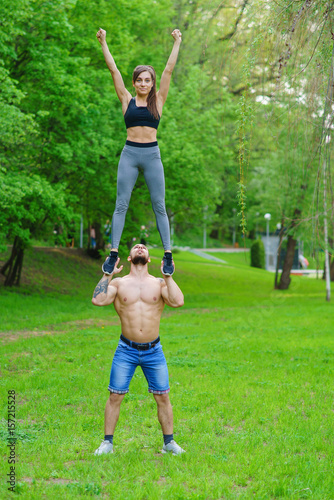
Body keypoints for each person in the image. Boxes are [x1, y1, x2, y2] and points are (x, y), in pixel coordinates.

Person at [96, 27, 182, 277]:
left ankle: (167, 255)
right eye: (140, 80)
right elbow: (113, 69)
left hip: (152, 155)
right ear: (134, 83)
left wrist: (177, 42)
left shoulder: (159, 100)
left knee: (159, 206)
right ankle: (113, 254)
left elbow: (168, 70)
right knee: (121, 204)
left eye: (148, 80)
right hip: (130, 155)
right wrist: (104, 42)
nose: (144, 83)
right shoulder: (126, 99)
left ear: (152, 83)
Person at [92, 244, 185, 456]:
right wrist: (107, 273)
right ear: (129, 257)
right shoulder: (118, 282)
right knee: (115, 396)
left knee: (163, 397)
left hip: (154, 351)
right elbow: (98, 300)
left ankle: (169, 443)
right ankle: (107, 444)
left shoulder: (160, 283)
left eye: (143, 247)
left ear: (150, 259)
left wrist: (168, 276)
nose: (140, 247)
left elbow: (178, 301)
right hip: (126, 349)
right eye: (136, 247)